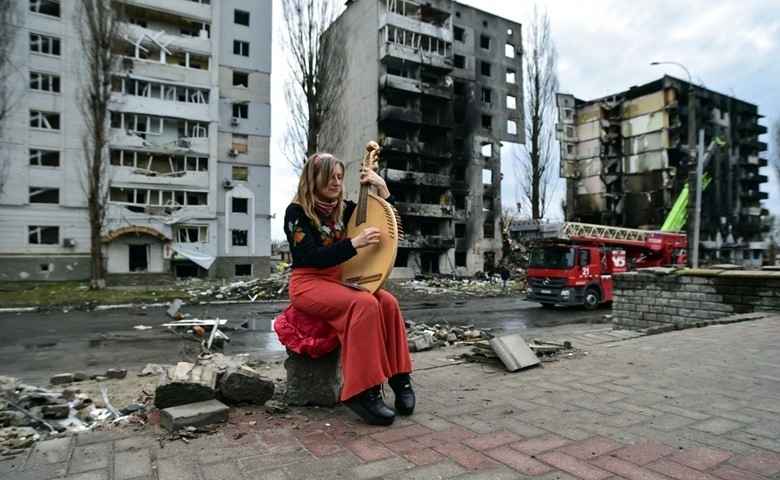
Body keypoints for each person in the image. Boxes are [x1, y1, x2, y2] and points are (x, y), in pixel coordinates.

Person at [282, 152, 415, 426]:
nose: (336, 182)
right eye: (330, 177)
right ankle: (362, 391)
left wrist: (383, 188)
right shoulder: (296, 212)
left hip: (339, 280)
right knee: (364, 303)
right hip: (308, 283)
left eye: (340, 177)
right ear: (313, 178)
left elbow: (392, 225)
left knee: (387, 301)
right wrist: (354, 243)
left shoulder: (345, 209)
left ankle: (400, 377)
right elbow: (310, 256)